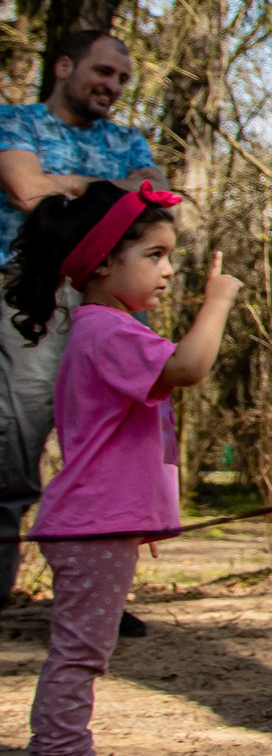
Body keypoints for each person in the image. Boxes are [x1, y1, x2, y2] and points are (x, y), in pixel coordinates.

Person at [1, 181, 233, 756]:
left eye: (170, 258)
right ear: (104, 263)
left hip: (98, 524)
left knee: (80, 651)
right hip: (89, 526)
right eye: (155, 255)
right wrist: (218, 302)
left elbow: (134, 429)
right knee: (79, 656)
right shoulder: (109, 331)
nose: (167, 271)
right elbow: (188, 367)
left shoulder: (103, 328)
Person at [0, 32, 161, 604]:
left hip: (103, 298)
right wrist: (107, 191)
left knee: (110, 445)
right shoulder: (16, 122)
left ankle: (98, 600)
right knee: (17, 439)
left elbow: (156, 198)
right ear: (64, 65)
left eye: (122, 80)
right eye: (103, 72)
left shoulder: (126, 138)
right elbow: (23, 189)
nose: (113, 87)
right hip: (26, 296)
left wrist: (65, 186)